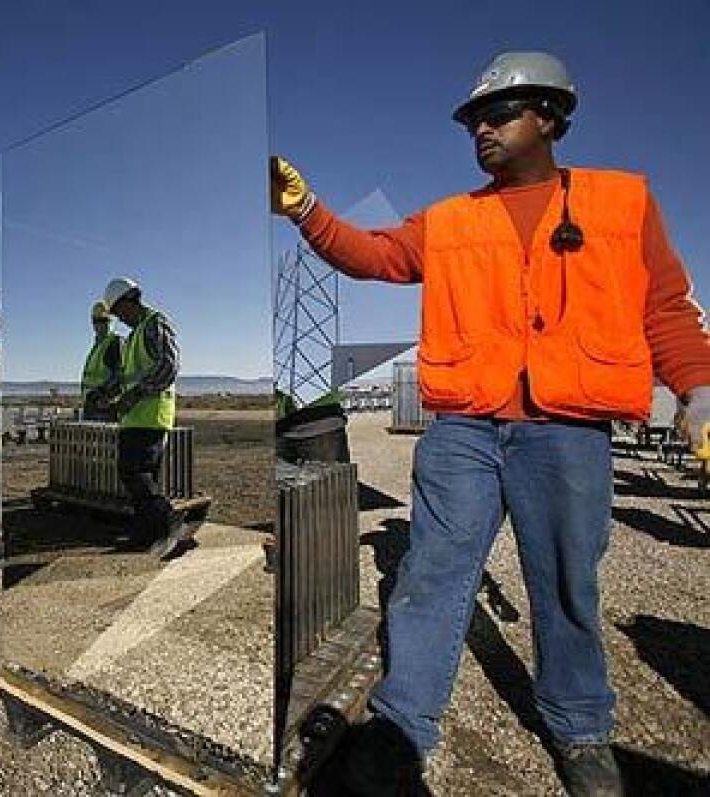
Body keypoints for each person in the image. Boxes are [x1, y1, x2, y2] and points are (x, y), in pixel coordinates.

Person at [271, 51, 710, 796]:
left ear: (548, 116)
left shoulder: (620, 203)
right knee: (431, 575)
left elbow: (665, 307)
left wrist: (697, 396)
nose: (481, 127)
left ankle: (579, 726)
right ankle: (403, 724)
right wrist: (308, 209)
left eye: (498, 113)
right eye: (474, 118)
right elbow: (373, 254)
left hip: (568, 431)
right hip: (464, 430)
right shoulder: (450, 220)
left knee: (567, 583)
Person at [101, 277, 190, 559]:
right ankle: (147, 534)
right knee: (142, 477)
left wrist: (135, 394)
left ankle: (168, 518)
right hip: (135, 416)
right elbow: (126, 375)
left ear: (129, 301)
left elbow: (169, 365)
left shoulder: (155, 323)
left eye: (119, 311)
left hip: (150, 415)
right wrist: (107, 392)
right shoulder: (135, 334)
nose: (119, 318)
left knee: (133, 473)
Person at [81, 300, 122, 421]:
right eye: (97, 321)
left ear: (111, 321)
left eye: (104, 321)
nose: (100, 325)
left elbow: (120, 376)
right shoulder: (97, 346)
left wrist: (103, 396)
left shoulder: (114, 343)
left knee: (105, 439)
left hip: (105, 407)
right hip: (91, 406)